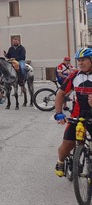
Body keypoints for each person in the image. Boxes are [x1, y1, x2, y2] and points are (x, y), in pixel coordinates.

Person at [54, 48, 92, 177]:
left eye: (84, 60)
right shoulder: (74, 75)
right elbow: (61, 93)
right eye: (79, 60)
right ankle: (60, 161)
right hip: (78, 115)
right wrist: (59, 112)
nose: (80, 63)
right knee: (67, 144)